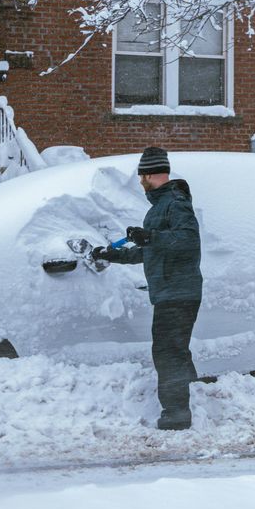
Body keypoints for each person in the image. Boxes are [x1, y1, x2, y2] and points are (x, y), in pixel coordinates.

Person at [93, 147, 202, 430]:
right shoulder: (161, 206)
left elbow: (187, 240)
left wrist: (150, 236)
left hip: (178, 292)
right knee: (174, 349)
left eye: (142, 175)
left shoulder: (174, 203)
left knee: (168, 352)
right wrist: (113, 254)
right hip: (172, 291)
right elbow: (154, 250)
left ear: (149, 174)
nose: (140, 181)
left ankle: (177, 413)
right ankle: (194, 394)